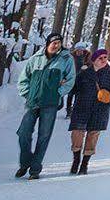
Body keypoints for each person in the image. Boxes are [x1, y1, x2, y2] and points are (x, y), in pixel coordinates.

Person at [15, 32, 76, 180]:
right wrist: (27, 94)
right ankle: (25, 163)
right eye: (54, 42)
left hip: (50, 104)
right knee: (23, 133)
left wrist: (58, 93)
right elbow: (23, 79)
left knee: (44, 136)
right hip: (33, 102)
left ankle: (35, 169)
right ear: (48, 43)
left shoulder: (66, 59)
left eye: (59, 43)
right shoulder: (35, 59)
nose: (56, 45)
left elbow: (70, 79)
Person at [65, 47, 110, 175]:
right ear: (94, 60)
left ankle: (85, 163)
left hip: (100, 109)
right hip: (81, 107)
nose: (103, 60)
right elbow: (74, 88)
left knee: (93, 135)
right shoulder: (84, 73)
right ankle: (76, 159)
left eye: (105, 57)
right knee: (77, 134)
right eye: (100, 58)